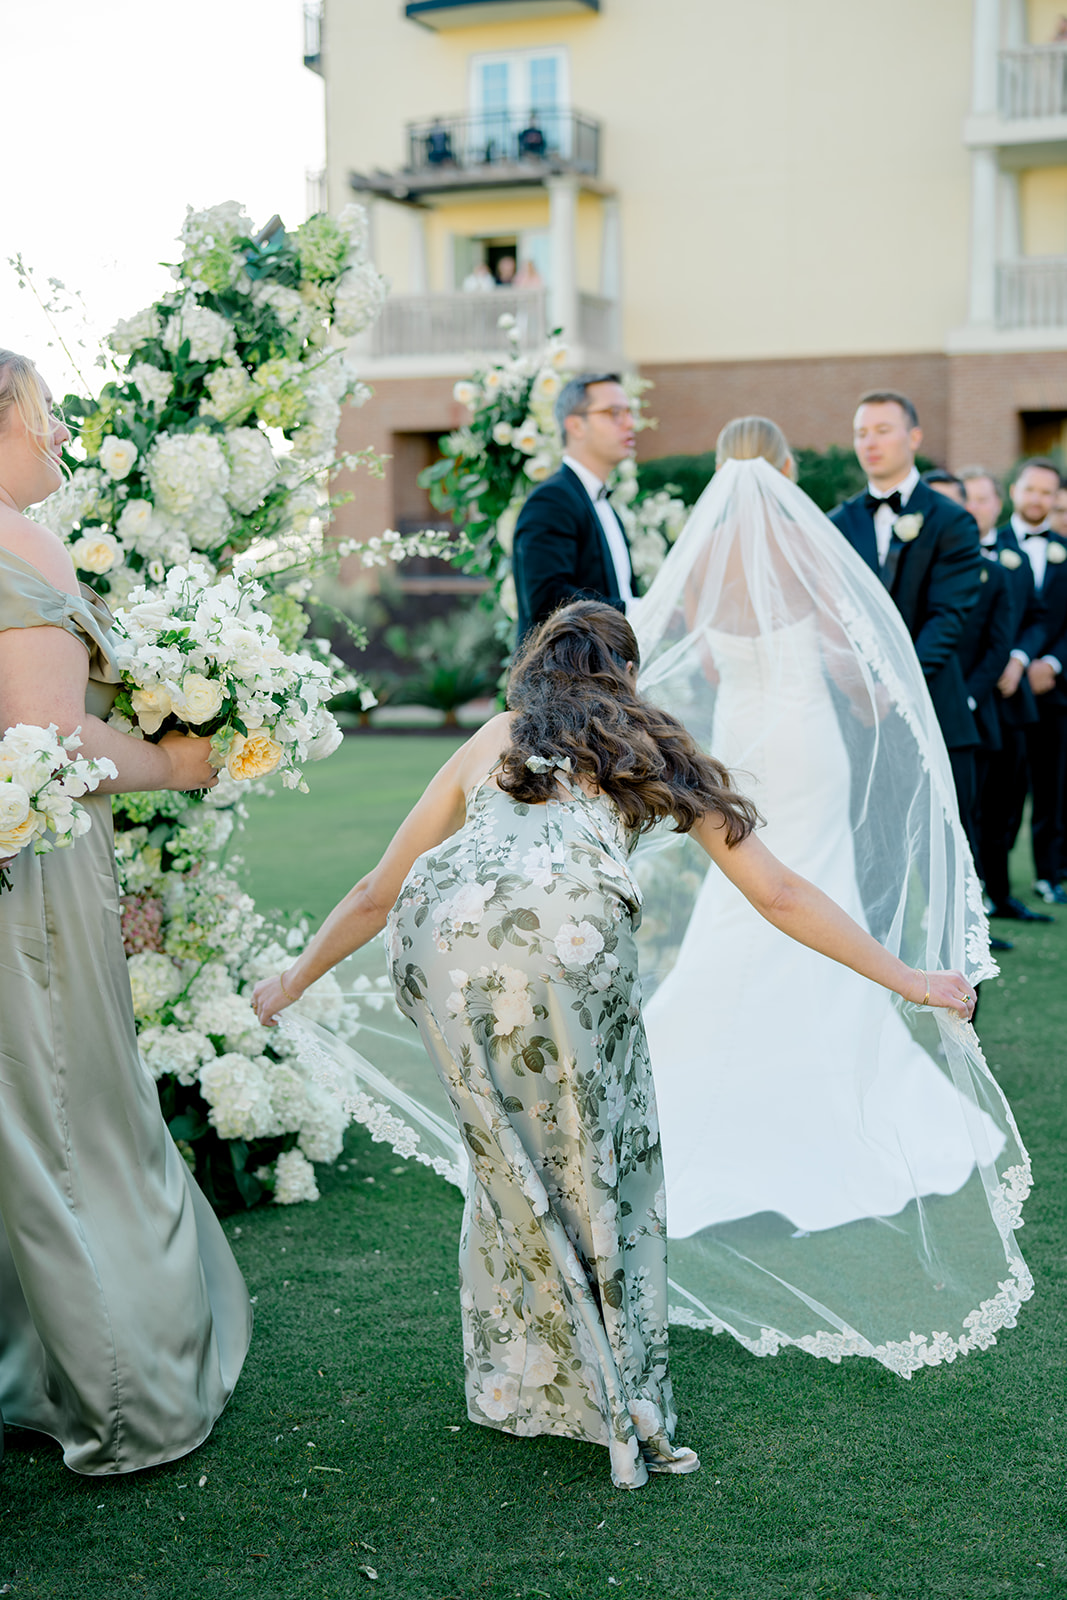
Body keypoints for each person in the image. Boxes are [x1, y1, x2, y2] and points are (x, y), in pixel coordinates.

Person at [253, 599, 980, 1487]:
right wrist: (911, 979)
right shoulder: (649, 742)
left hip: (440, 942)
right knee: (603, 1162)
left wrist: (289, 982)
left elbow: (376, 889)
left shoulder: (498, 736)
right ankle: (615, 1394)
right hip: (567, 945)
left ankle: (521, 1383)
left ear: (536, 668)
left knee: (508, 1163)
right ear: (625, 674)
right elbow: (779, 893)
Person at [625, 417, 1030, 1374]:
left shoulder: (708, 551)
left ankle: (703, 1066)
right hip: (806, 746)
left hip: (738, 741)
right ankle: (827, 1049)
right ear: (788, 471)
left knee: (741, 903)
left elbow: (693, 659)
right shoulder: (807, 549)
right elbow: (850, 662)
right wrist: (869, 697)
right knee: (815, 891)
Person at [0, 352, 251, 1474]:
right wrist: (175, 760)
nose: (58, 438)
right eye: (45, 416)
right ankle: (128, 1398)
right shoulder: (21, 542)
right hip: (33, 867)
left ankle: (36, 1366)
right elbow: (47, 741)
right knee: (72, 1117)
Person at [830, 391, 983, 856]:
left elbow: (947, 617)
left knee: (945, 854)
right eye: (861, 433)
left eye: (882, 430)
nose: (870, 442)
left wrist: (892, 688)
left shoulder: (952, 521)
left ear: (914, 436)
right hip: (857, 718)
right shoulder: (835, 523)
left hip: (933, 710)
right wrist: (855, 687)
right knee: (873, 855)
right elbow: (829, 618)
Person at [960, 466, 1048, 926]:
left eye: (983, 499)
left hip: (1008, 702)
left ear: (1000, 503)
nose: (976, 507)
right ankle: (973, 906)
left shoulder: (1013, 559)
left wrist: (1018, 657)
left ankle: (1001, 894)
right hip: (963, 699)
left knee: (1006, 805)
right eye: (967, 498)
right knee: (968, 808)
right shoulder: (942, 556)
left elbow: (1037, 618)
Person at [512, 373, 635, 642]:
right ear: (576, 426)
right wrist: (635, 611)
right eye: (614, 413)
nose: (630, 423)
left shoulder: (603, 503)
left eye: (629, 412)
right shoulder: (551, 501)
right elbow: (548, 600)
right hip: (568, 680)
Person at [994, 459, 1067, 905]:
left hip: (1056, 689)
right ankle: (994, 877)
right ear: (1015, 491)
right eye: (1031, 489)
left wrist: (1054, 663)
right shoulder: (989, 544)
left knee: (1054, 785)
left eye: (1047, 492)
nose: (1037, 499)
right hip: (1003, 688)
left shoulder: (1065, 549)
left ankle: (1049, 873)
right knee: (1003, 787)